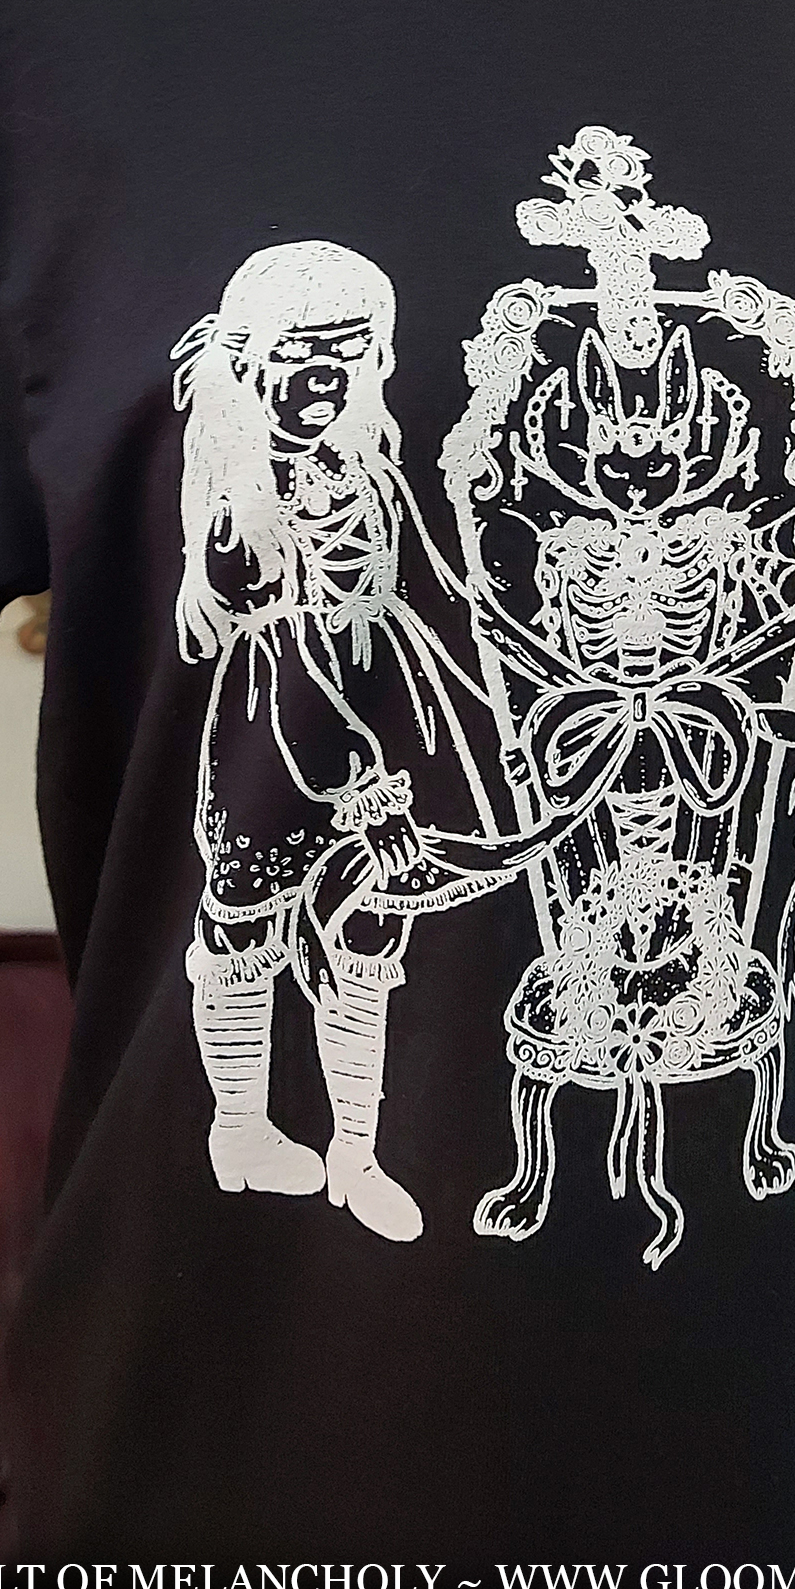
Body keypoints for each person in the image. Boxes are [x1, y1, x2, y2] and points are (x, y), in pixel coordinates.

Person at [173, 239, 502, 1241]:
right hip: (281, 729)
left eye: (349, 352)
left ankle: (356, 1150)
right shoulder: (240, 498)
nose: (325, 375)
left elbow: (436, 595)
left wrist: (505, 692)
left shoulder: (368, 468)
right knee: (244, 925)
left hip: (386, 715)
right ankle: (241, 1128)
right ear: (249, 358)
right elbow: (282, 651)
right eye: (302, 352)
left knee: (367, 932)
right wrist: (366, 782)